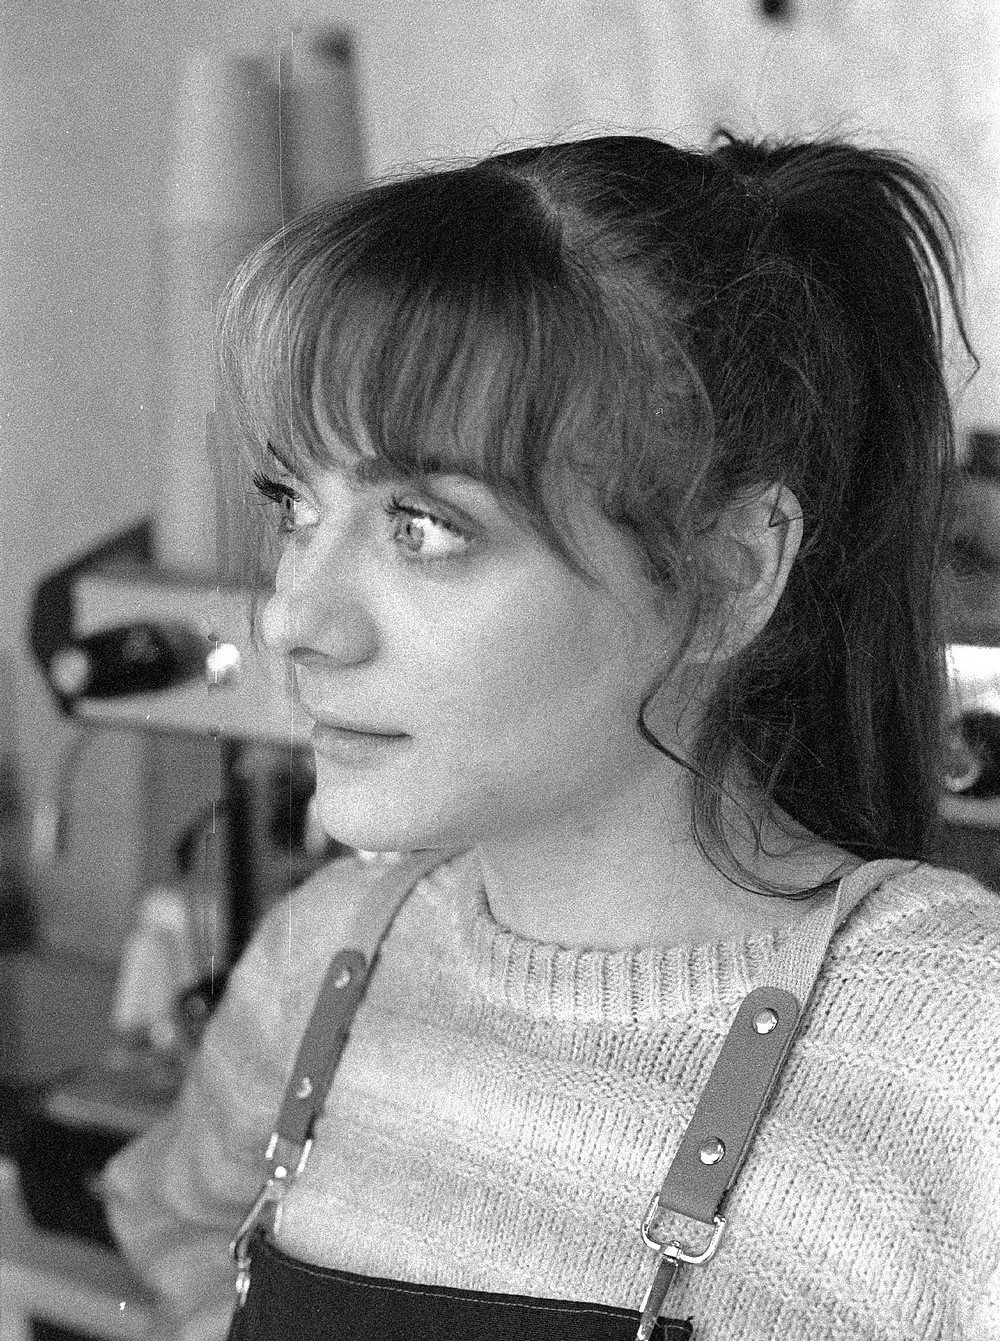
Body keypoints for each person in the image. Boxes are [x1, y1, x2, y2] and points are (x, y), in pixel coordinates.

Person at [101, 131, 1000, 1341]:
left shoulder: (958, 1053)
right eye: (295, 506)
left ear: (730, 572)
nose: (293, 618)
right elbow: (174, 1227)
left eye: (423, 525)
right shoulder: (328, 958)